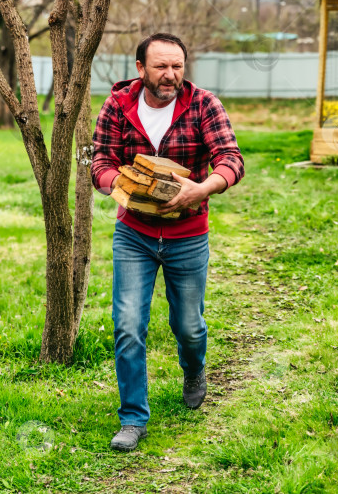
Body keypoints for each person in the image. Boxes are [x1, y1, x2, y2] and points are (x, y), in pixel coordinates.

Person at [91, 33, 245, 452]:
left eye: (177, 66)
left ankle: (193, 369)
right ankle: (133, 419)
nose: (170, 75)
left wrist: (202, 189)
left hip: (188, 236)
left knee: (189, 326)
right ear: (140, 68)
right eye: (161, 66)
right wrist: (119, 184)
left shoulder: (203, 104)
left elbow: (231, 159)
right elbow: (100, 160)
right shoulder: (119, 106)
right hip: (134, 235)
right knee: (127, 327)